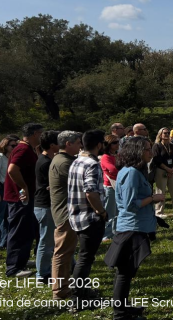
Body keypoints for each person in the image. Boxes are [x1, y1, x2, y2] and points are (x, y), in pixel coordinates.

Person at [106, 136, 164, 320]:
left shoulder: (130, 171)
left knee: (127, 271)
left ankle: (123, 307)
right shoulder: (131, 173)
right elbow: (131, 204)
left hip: (134, 226)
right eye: (147, 149)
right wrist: (154, 198)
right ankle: (120, 314)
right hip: (132, 228)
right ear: (137, 152)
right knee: (125, 272)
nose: (150, 152)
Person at [67, 130, 108, 305]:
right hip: (89, 217)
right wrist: (101, 212)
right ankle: (78, 297)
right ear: (99, 145)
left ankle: (81, 291)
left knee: (84, 257)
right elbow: (91, 191)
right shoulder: (92, 164)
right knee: (85, 258)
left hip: (76, 216)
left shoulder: (76, 161)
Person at [5, 122, 43, 278]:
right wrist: (24, 187)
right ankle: (13, 267)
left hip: (25, 197)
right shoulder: (22, 149)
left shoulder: (29, 149)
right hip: (19, 198)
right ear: (34, 134)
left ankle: (22, 260)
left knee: (27, 230)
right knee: (19, 231)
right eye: (40, 134)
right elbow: (12, 169)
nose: (42, 137)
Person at [50, 131, 82, 300]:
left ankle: (64, 287)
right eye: (77, 142)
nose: (80, 146)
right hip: (66, 213)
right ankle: (60, 291)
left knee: (66, 252)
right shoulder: (64, 163)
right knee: (62, 252)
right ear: (68, 144)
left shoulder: (63, 160)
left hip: (67, 212)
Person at [34, 130, 59, 283]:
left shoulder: (47, 159)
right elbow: (51, 186)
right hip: (45, 206)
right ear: (52, 145)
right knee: (46, 241)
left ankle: (70, 265)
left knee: (54, 239)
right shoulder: (45, 162)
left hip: (46, 206)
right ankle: (42, 274)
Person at [152, 127, 173, 218]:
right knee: (161, 191)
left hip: (172, 171)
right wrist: (167, 169)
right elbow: (156, 159)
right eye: (165, 133)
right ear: (160, 135)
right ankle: (159, 212)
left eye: (168, 133)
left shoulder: (172, 145)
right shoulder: (156, 146)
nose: (167, 134)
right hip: (161, 170)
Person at [101, 134, 121, 242]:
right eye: (114, 143)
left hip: (117, 185)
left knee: (117, 211)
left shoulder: (116, 155)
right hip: (110, 187)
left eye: (118, 142)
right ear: (108, 145)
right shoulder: (106, 157)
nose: (117, 144)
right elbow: (113, 170)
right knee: (109, 211)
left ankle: (115, 231)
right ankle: (106, 234)